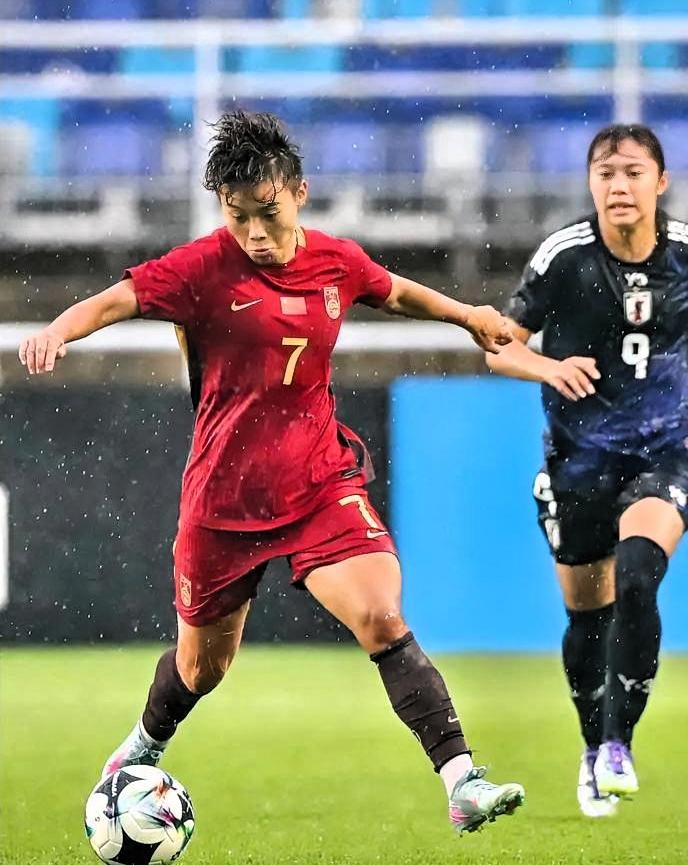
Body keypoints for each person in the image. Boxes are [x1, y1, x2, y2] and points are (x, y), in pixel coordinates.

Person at [19, 111, 525, 835]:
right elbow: (116, 300)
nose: (254, 233)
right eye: (238, 217)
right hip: (224, 502)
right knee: (202, 668)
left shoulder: (336, 261)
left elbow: (393, 290)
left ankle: (461, 780)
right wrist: (57, 330)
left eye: (268, 212)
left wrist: (468, 315)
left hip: (319, 483)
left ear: (299, 193)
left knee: (381, 617)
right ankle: (143, 746)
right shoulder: (201, 268)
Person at [486, 123, 688, 818]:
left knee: (639, 574)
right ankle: (593, 746)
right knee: (585, 617)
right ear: (590, 183)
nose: (618, 186)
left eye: (632, 172)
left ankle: (619, 744)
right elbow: (499, 345)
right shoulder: (563, 256)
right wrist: (546, 367)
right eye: (605, 174)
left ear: (661, 181)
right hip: (579, 459)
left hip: (669, 446)